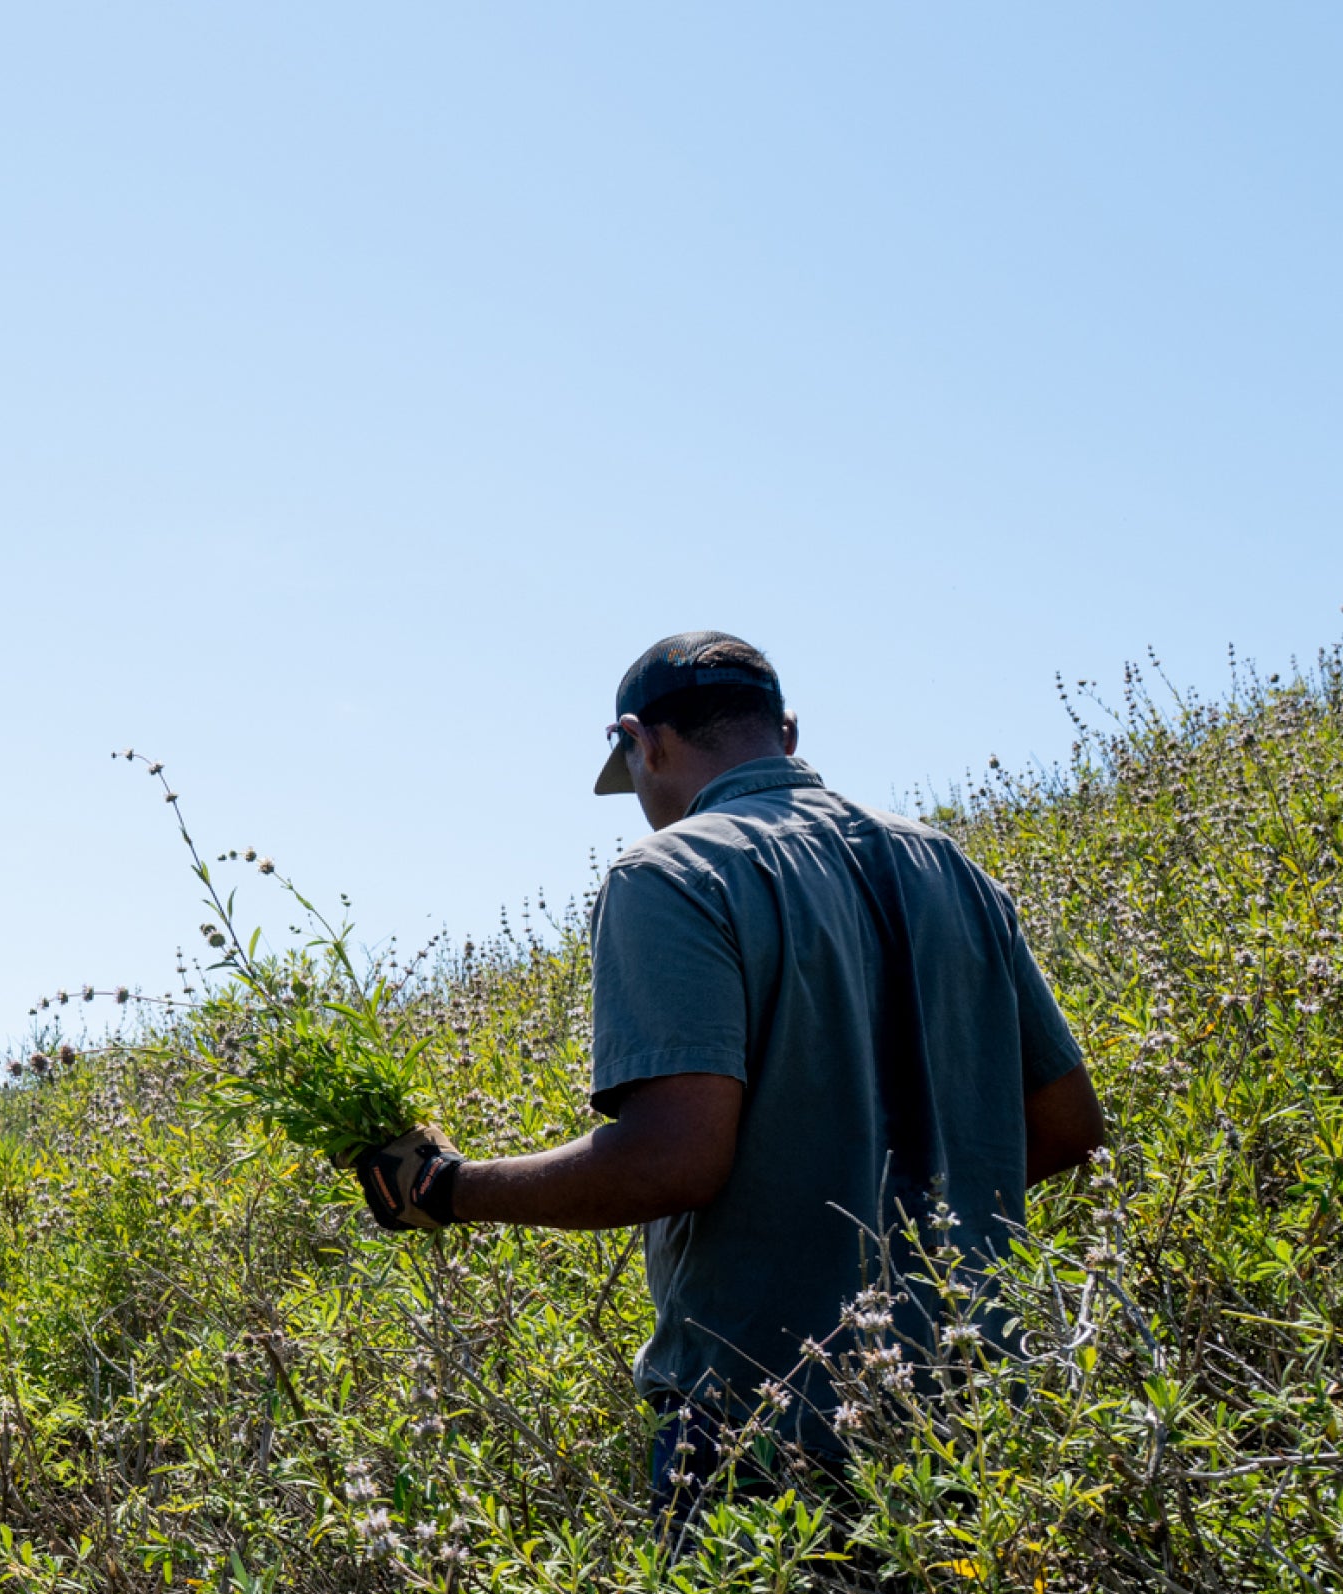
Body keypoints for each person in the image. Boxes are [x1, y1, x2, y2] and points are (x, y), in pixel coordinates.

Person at [342, 631, 1107, 1532]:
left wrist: (446, 1188)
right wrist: (928, 1219)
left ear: (643, 740)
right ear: (785, 731)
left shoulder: (672, 873)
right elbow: (1066, 1129)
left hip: (769, 1427)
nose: (645, 807)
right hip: (980, 1413)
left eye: (634, 776)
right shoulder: (950, 866)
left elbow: (677, 1158)